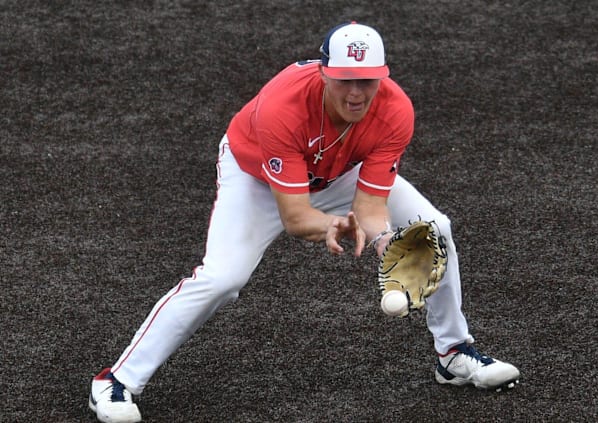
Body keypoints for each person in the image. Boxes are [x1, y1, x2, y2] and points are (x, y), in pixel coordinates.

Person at [88, 21, 520, 423]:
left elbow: (370, 205)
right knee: (223, 278)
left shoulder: (394, 110)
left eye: (367, 80)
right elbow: (296, 217)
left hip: (336, 171)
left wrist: (384, 239)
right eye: (346, 81)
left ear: (381, 77)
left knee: (435, 228)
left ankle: (454, 352)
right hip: (256, 176)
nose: (357, 93)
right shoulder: (284, 107)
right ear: (324, 74)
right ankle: (116, 381)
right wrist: (328, 225)